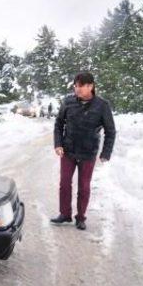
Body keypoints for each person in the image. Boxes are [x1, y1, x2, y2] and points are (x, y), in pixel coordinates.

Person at [51, 72, 116, 230]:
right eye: (75, 86)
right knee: (64, 183)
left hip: (88, 153)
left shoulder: (102, 105)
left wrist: (105, 153)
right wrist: (58, 144)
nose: (77, 89)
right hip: (68, 150)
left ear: (91, 86)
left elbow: (110, 131)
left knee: (84, 186)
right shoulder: (68, 102)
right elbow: (59, 124)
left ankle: (80, 218)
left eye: (80, 86)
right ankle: (65, 214)